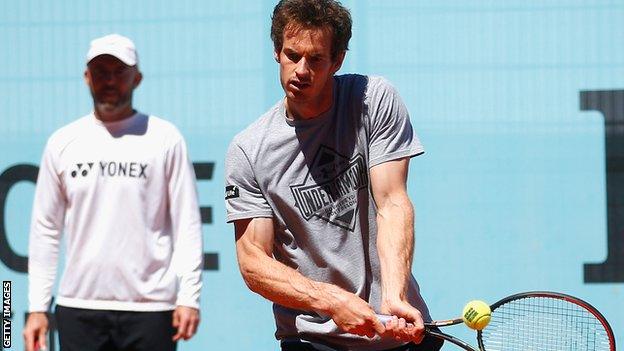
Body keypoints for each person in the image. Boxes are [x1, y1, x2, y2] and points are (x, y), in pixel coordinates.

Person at [224, 1, 443, 350]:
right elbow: (254, 262)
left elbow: (392, 202)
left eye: (316, 59)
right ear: (277, 52)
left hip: (399, 334)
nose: (301, 70)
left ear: (338, 60)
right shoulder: (249, 150)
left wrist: (395, 295)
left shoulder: (373, 100)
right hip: (312, 341)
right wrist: (330, 300)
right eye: (292, 55)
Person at [23, 34, 204, 351]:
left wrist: (189, 296)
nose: (109, 80)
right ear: (86, 77)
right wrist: (38, 307)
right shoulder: (63, 142)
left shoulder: (164, 138)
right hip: (79, 307)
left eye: (119, 71)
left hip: (151, 309)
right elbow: (45, 230)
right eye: (100, 71)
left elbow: (187, 224)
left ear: (137, 78)